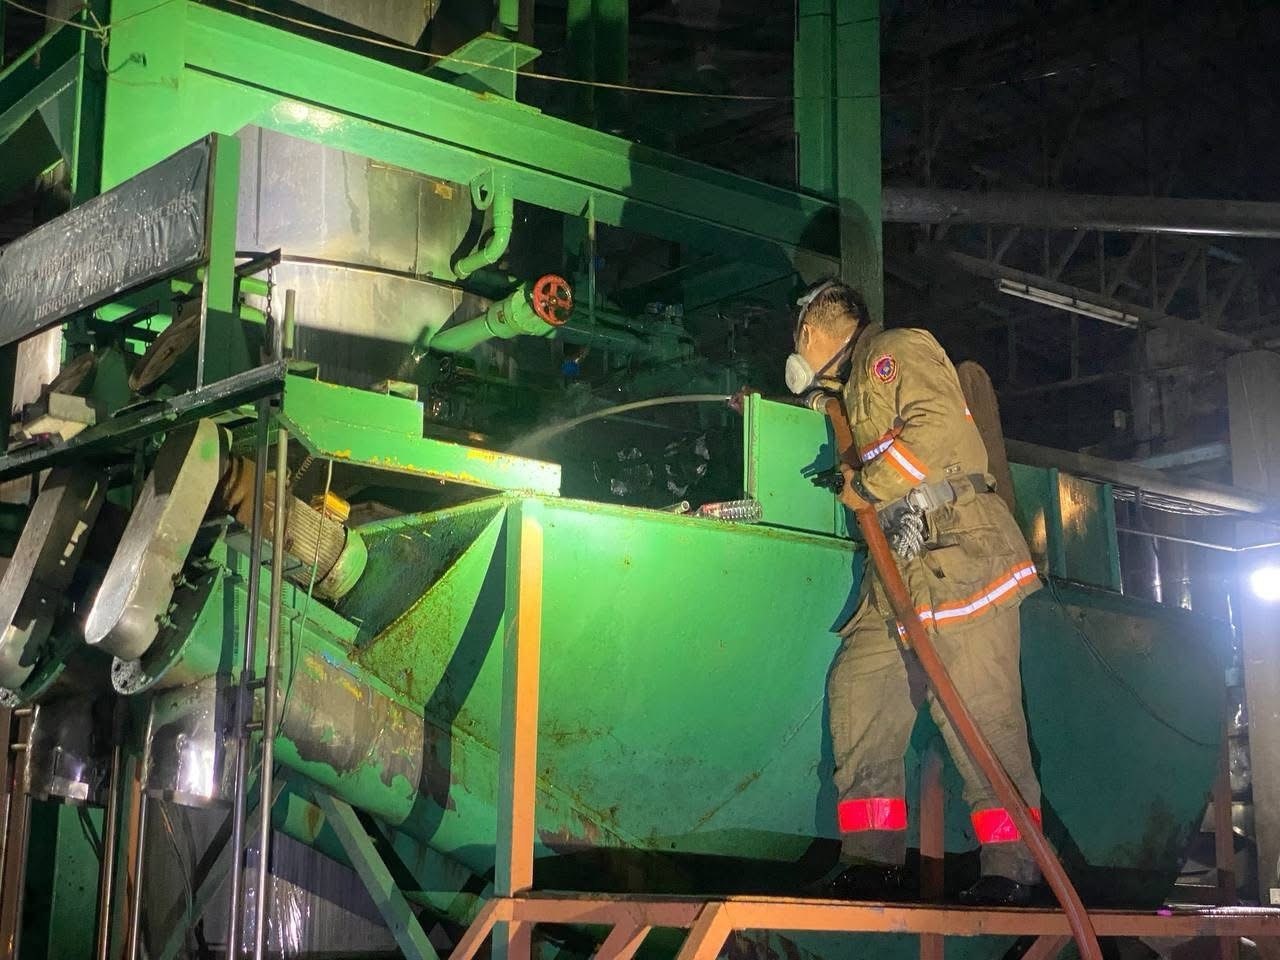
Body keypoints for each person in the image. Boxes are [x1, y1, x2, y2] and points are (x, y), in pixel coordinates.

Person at [786, 278, 1044, 906]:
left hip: (958, 559)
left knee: (979, 717)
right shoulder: (851, 389)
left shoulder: (893, 350)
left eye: (797, 336)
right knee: (862, 691)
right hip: (900, 576)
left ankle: (1015, 868)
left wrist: (865, 487)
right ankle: (872, 860)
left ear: (814, 328)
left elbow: (933, 430)